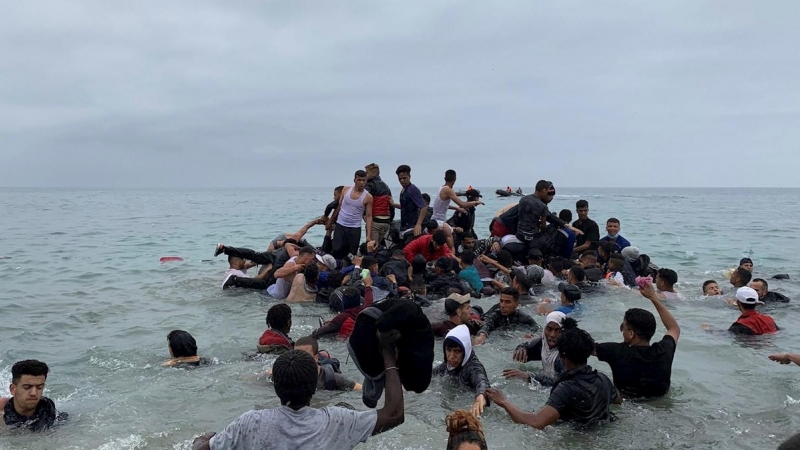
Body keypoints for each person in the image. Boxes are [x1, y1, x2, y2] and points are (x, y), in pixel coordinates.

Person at [191, 333, 405, 450]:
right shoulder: (337, 420)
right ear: (315, 384)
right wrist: (389, 355)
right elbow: (394, 414)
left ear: (275, 386)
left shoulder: (251, 422)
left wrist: (203, 438)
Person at [485, 318, 621, 429]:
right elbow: (618, 401)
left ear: (562, 355)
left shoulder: (566, 388)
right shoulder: (603, 379)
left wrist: (504, 402)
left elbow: (537, 422)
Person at [594, 282, 680, 398]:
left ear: (631, 334)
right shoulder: (664, 351)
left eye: (623, 327)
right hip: (660, 407)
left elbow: (582, 346)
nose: (621, 330)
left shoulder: (616, 352)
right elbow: (674, 328)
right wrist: (653, 298)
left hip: (628, 408)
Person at [433, 325, 490, 417]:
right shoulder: (447, 365)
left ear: (465, 351)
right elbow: (431, 376)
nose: (451, 356)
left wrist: (481, 396)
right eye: (448, 350)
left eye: (457, 351)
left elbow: (481, 381)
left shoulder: (473, 367)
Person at [0, 360, 67, 431]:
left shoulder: (51, 413)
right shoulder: (2, 411)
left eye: (39, 387)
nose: (34, 393)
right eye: (27, 387)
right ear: (13, 389)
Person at [505, 311, 566, 386]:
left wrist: (529, 377)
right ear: (544, 330)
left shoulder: (566, 355)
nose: (552, 335)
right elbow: (526, 346)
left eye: (558, 330)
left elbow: (563, 384)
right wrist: (521, 349)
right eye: (549, 329)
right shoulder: (543, 343)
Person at [431, 170, 484, 249]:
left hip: (435, 219)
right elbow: (462, 204)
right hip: (439, 221)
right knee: (451, 244)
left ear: (444, 178)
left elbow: (443, 205)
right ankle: (453, 255)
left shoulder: (441, 188)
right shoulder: (448, 190)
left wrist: (456, 208)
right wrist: (476, 202)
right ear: (455, 179)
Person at [329, 170, 374, 259]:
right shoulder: (345, 190)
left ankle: (348, 270)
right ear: (354, 180)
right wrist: (330, 220)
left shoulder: (368, 197)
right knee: (336, 249)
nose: (362, 183)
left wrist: (368, 235)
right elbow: (339, 206)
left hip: (355, 228)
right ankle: (335, 270)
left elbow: (369, 216)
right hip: (341, 225)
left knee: (351, 254)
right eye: (359, 180)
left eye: (364, 180)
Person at [473, 287, 539, 346]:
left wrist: (532, 335)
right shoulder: (495, 314)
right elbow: (487, 324)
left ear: (516, 304)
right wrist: (482, 335)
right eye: (501, 301)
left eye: (507, 302)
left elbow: (538, 329)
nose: (502, 305)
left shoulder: (524, 317)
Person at [294, 336, 363, 391]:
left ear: (316, 358)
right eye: (296, 355)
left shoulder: (332, 378)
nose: (299, 359)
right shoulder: (289, 377)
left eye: (305, 356)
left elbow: (362, 390)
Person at [392, 164, 427, 238]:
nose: (402, 181)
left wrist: (418, 224)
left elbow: (423, 207)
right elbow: (405, 207)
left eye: (404, 178)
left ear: (409, 177)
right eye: (400, 179)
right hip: (404, 226)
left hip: (412, 227)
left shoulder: (412, 189)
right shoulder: (403, 190)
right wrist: (393, 204)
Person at [364, 163, 394, 244]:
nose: (365, 175)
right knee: (380, 247)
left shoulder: (369, 185)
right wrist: (390, 220)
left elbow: (364, 200)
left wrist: (364, 214)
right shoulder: (386, 186)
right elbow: (391, 205)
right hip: (386, 222)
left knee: (371, 246)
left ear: (374, 174)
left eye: (367, 173)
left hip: (375, 222)